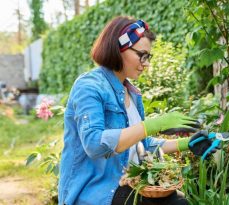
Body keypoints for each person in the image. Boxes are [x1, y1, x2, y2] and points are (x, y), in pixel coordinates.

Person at [58, 16, 215, 205]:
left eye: (148, 56)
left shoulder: (132, 93)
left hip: (128, 185)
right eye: (142, 54)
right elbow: (94, 144)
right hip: (96, 192)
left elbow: (141, 143)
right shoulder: (89, 87)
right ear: (119, 48)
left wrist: (187, 143)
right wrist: (153, 124)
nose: (146, 63)